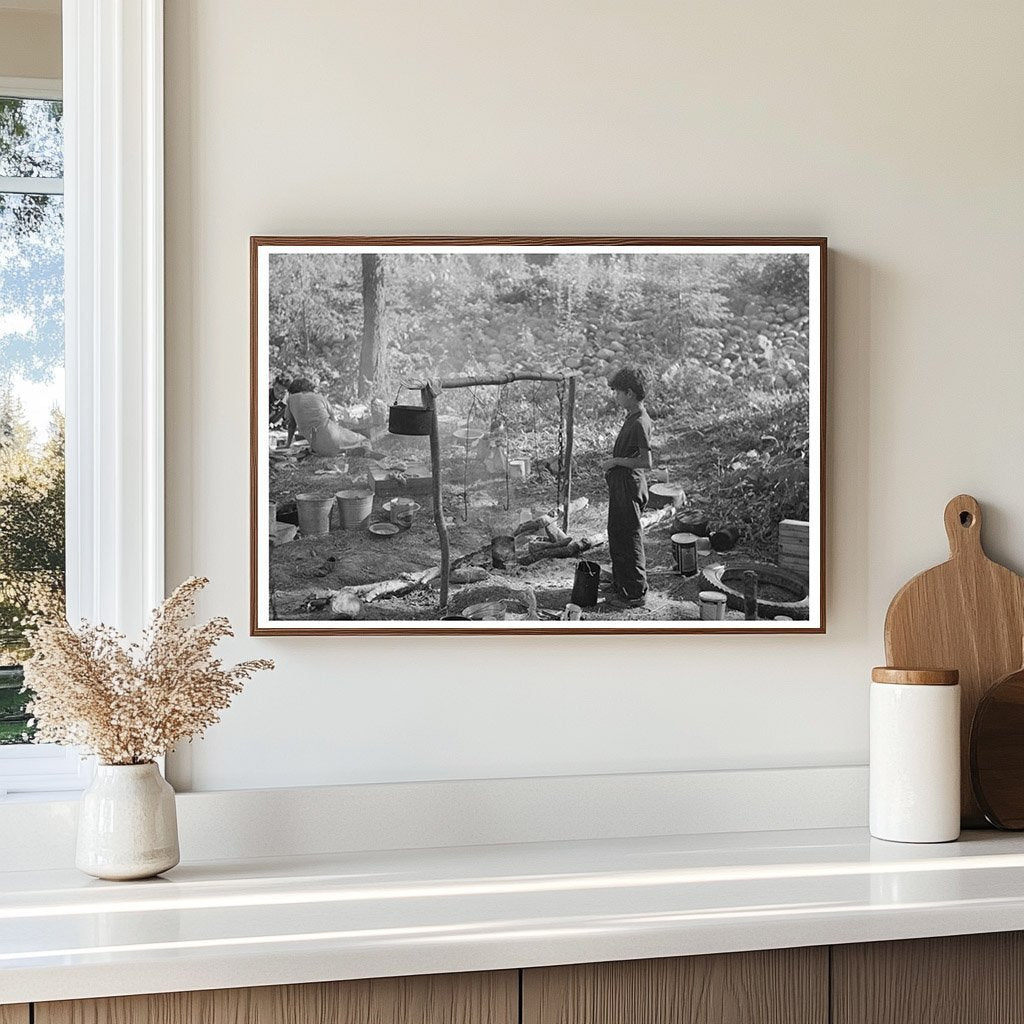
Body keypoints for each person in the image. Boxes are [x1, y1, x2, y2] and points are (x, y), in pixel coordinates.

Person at [601, 366, 653, 608]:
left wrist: (616, 462)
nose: (616, 397)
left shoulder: (640, 421)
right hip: (621, 485)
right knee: (617, 533)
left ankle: (635, 592)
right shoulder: (632, 416)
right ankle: (621, 583)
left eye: (618, 392)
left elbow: (646, 461)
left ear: (630, 393)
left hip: (630, 486)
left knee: (630, 538)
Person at [285, 378, 365, 455]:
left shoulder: (290, 400)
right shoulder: (319, 397)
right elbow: (333, 419)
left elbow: (291, 425)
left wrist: (288, 444)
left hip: (318, 448)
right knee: (363, 440)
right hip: (333, 437)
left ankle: (344, 450)